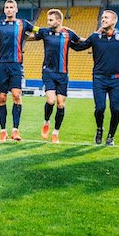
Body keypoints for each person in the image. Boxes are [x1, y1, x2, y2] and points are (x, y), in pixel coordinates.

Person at [72, 10, 119, 146]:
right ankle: (99, 129)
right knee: (100, 108)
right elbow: (79, 47)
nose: (103, 19)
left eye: (106, 18)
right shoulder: (95, 37)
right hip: (99, 78)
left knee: (115, 109)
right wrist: (66, 39)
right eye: (102, 17)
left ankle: (111, 136)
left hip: (115, 79)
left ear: (114, 21)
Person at [0, 0, 36, 142]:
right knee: (2, 98)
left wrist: (48, 31)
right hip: (2, 65)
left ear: (16, 10)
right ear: (4, 10)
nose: (9, 9)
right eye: (7, 7)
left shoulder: (23, 23)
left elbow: (38, 31)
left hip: (16, 65)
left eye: (11, 7)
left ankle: (15, 130)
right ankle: (3, 130)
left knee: (16, 96)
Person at [31, 9, 81, 143]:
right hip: (48, 72)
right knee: (51, 100)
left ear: (59, 21)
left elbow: (82, 41)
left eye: (51, 20)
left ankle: (55, 132)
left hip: (63, 74)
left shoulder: (68, 33)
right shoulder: (44, 32)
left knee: (60, 104)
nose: (48, 22)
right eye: (48, 20)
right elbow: (30, 35)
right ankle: (46, 122)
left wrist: (97, 37)